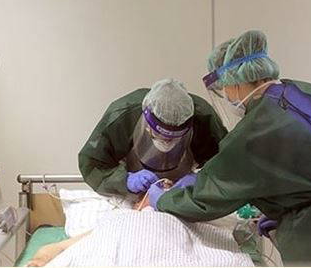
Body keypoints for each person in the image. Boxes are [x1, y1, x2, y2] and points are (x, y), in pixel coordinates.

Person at [147, 31, 311, 266]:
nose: (226, 95)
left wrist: (164, 199)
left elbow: (207, 197)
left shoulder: (259, 126)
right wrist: (286, 209)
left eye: (224, 87)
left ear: (236, 80)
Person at [78, 78, 227, 198]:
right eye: (160, 135)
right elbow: (92, 165)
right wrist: (125, 180)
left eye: (173, 139)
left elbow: (225, 164)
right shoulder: (124, 116)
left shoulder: (203, 117)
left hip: (183, 196)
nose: (166, 143)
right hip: (131, 194)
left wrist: (200, 179)